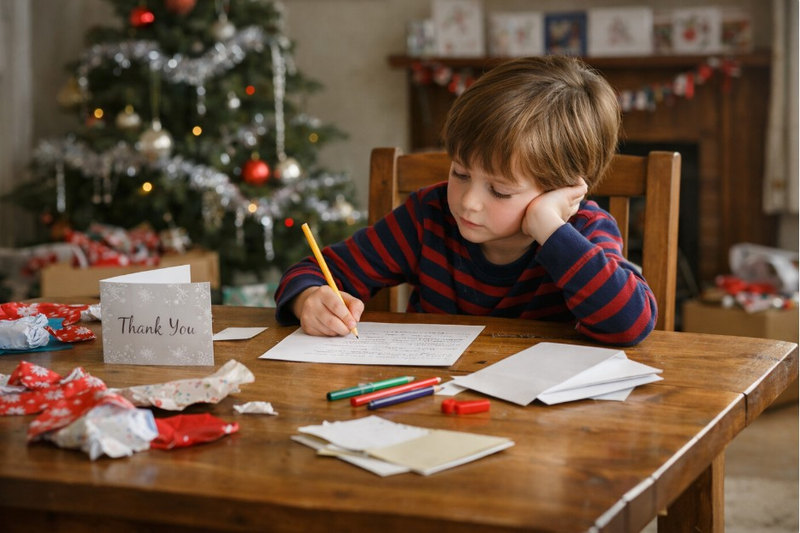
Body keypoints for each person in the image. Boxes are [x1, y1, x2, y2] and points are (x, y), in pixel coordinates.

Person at [275, 56, 656, 346]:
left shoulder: (581, 231)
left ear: (561, 191)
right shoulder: (429, 214)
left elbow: (630, 323)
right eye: (460, 173)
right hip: (427, 402)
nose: (468, 202)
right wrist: (309, 299)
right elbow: (312, 271)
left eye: (500, 190)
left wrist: (548, 228)